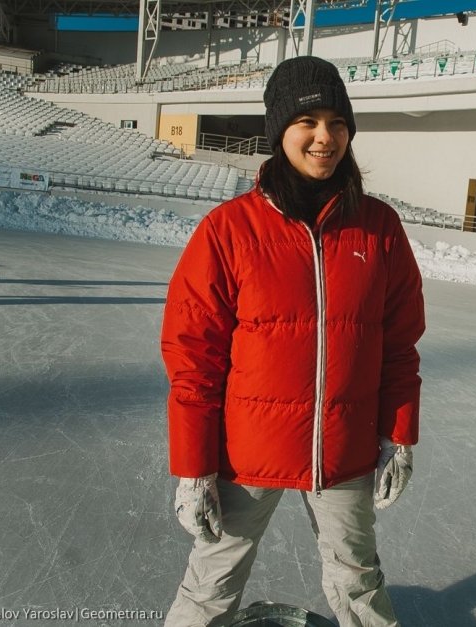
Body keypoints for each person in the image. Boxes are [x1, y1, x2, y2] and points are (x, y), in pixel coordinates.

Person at [161, 55, 425, 627]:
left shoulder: (379, 228)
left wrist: (398, 436)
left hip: (345, 452)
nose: (324, 138)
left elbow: (400, 345)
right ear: (279, 130)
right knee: (211, 582)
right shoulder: (230, 230)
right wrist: (194, 466)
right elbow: (193, 357)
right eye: (307, 122)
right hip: (245, 453)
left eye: (336, 122)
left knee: (359, 580)